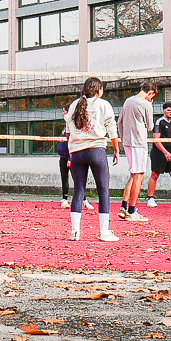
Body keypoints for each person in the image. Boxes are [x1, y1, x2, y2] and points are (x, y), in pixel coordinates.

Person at [63, 77, 121, 241]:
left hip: (77, 151)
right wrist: (116, 150)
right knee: (103, 190)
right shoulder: (104, 104)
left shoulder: (74, 104)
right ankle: (104, 232)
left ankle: (75, 232)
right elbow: (112, 129)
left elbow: (68, 131)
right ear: (99, 90)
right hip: (96, 150)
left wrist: (70, 151)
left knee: (78, 191)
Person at [118, 80, 158, 220]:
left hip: (128, 142)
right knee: (139, 176)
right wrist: (150, 107)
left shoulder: (128, 101)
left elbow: (120, 122)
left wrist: (123, 139)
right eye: (152, 95)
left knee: (134, 174)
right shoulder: (146, 104)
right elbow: (150, 127)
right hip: (139, 143)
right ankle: (132, 210)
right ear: (151, 93)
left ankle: (124, 206)